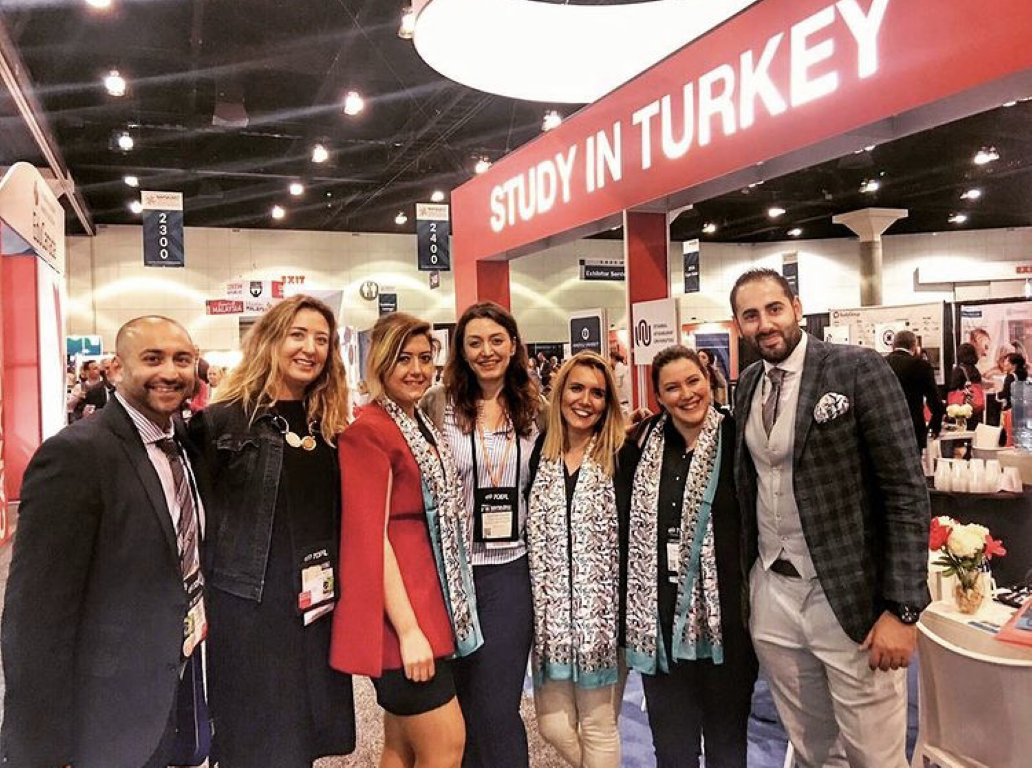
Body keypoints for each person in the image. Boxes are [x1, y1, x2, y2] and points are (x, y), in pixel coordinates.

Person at [730, 269, 930, 768]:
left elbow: (905, 492)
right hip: (773, 593)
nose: (764, 324)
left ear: (796, 309)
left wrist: (903, 609)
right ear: (738, 325)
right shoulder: (748, 383)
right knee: (813, 749)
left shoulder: (857, 369)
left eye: (774, 309)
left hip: (848, 597)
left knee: (876, 756)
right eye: (750, 315)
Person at [2, 316, 209, 768]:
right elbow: (35, 615)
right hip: (104, 714)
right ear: (117, 369)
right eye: (152, 358)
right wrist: (42, 748)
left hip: (167, 683)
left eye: (182, 359)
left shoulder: (181, 443)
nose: (170, 372)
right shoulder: (76, 454)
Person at [189, 296, 355, 768]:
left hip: (314, 608)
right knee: (254, 741)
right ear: (269, 341)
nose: (310, 348)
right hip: (250, 609)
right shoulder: (222, 422)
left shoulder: (331, 426)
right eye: (297, 335)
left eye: (321, 339)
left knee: (302, 739)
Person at [332, 312, 481, 768]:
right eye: (403, 359)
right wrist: (409, 630)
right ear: (380, 362)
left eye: (424, 358)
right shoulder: (368, 430)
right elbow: (370, 538)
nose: (417, 369)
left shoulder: (415, 423)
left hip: (430, 602)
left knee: (402, 745)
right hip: (403, 615)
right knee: (446, 745)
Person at [617, 346, 756, 768]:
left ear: (708, 381)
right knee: (672, 751)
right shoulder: (641, 443)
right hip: (659, 623)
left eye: (693, 381)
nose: (687, 394)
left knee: (727, 747)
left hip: (727, 624)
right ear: (659, 397)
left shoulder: (739, 438)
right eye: (673, 388)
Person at [421, 301, 545, 768]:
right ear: (461, 350)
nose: (486, 351)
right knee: (459, 706)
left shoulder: (536, 410)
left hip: (509, 573)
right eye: (474, 342)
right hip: (449, 574)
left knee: (497, 707)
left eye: (496, 340)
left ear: (513, 346)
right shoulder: (438, 404)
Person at [526, 352, 626, 768]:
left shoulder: (621, 454)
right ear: (560, 392)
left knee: (599, 726)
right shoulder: (540, 454)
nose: (585, 401)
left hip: (603, 622)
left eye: (597, 393)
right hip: (550, 622)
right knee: (552, 725)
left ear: (608, 402)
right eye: (577, 388)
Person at [885, 330, 944, 451]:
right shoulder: (922, 366)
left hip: (886, 428)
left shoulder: (881, 363)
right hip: (913, 428)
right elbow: (934, 399)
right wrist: (935, 425)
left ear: (893, 345)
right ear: (914, 346)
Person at [949, 342, 984, 429]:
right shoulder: (975, 370)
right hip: (975, 409)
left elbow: (952, 388)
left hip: (962, 410)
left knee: (961, 431)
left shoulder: (959, 370)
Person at [611, 349, 632, 415]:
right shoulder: (624, 367)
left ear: (613, 359)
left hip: (623, 403)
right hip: (626, 402)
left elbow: (618, 385)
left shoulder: (619, 368)